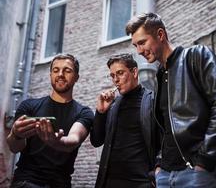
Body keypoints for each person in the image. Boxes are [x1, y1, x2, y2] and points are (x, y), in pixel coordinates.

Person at [126, 12, 216, 188]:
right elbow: (166, 128)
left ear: (160, 35)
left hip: (198, 172)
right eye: (135, 46)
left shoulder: (197, 56)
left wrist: (205, 160)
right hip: (165, 175)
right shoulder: (160, 76)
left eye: (142, 43)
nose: (139, 51)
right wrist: (158, 165)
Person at [6, 54, 94, 188]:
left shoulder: (84, 113)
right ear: (50, 75)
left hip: (60, 184)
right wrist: (15, 134)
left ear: (76, 77)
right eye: (56, 70)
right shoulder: (28, 106)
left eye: (67, 70)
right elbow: (14, 147)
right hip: (26, 181)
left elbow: (73, 140)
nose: (60, 74)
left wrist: (56, 141)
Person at [90, 54, 159, 188]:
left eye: (120, 73)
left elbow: (163, 140)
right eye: (112, 75)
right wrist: (100, 112)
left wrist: (155, 172)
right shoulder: (113, 104)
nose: (116, 80)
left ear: (134, 72)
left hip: (140, 182)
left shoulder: (152, 100)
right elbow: (96, 140)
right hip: (109, 182)